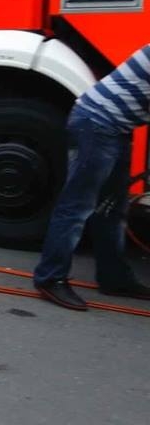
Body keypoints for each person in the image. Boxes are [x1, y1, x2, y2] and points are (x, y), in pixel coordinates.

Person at [33, 45, 150, 310]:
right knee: (77, 207)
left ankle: (114, 278)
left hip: (115, 128)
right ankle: (50, 278)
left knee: (111, 208)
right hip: (96, 125)